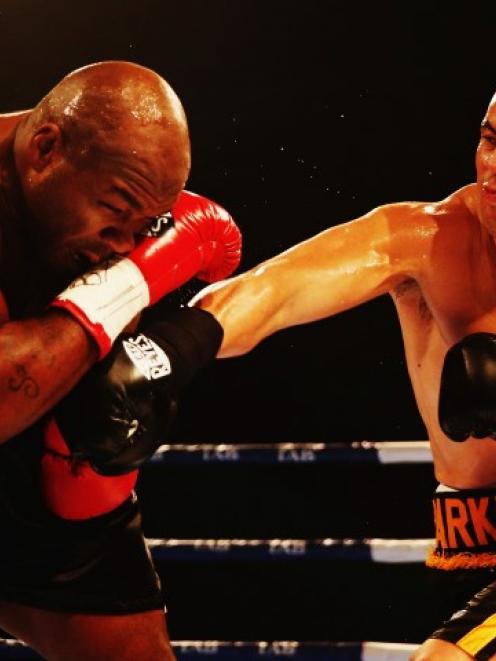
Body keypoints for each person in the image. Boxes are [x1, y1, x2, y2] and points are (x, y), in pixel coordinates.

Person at [186, 91, 496, 659]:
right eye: (490, 140)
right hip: (460, 551)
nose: (493, 168)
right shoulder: (425, 238)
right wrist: (158, 351)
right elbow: (272, 293)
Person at [0, 60, 241, 660]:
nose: (125, 245)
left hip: (40, 497)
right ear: (46, 148)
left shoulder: (114, 210)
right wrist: (143, 275)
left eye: (148, 227)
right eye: (117, 211)